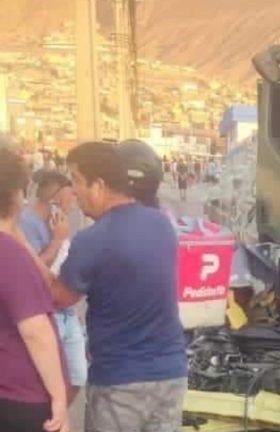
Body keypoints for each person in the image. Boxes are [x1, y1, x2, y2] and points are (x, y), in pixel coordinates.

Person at [47, 141, 187, 431]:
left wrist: (26, 247)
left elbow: (58, 297)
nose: (73, 191)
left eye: (76, 180)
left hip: (121, 381)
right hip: (171, 374)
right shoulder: (161, 224)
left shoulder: (93, 240)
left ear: (99, 185)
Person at [0, 147, 70, 432]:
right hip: (21, 395)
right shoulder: (9, 255)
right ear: (17, 194)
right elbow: (35, 331)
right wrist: (59, 397)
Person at [18, 170, 87, 404]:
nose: (75, 199)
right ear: (56, 196)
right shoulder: (26, 223)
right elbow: (30, 269)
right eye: (71, 194)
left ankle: (57, 418)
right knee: (49, 381)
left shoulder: (58, 221)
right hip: (45, 312)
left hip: (66, 311)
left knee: (77, 376)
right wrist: (57, 240)